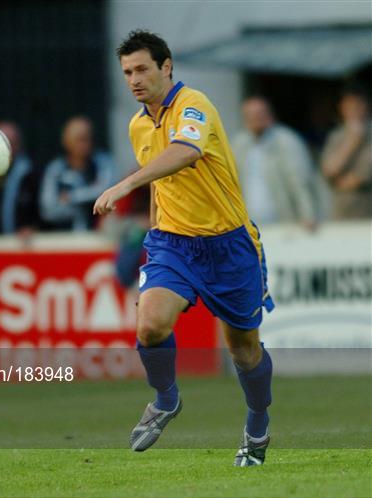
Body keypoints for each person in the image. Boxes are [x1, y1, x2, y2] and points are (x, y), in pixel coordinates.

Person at [93, 30, 275, 466]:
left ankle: (257, 425)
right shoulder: (138, 123)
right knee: (150, 324)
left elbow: (185, 151)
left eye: (141, 69)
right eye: (127, 73)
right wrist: (154, 233)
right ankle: (166, 399)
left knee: (243, 351)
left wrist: (124, 184)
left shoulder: (194, 104)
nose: (134, 79)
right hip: (173, 243)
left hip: (229, 244)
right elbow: (161, 182)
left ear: (166, 65)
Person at [232, 96, 317, 229]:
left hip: (283, 220)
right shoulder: (238, 144)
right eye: (250, 115)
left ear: (270, 115)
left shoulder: (287, 141)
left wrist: (308, 215)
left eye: (260, 113)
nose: (256, 118)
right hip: (247, 222)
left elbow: (300, 181)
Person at [39, 116, 115, 231]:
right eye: (80, 139)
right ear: (66, 141)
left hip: (99, 236)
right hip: (66, 239)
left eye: (88, 138)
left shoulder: (103, 163)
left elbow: (108, 192)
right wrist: (82, 208)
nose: (85, 144)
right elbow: (48, 210)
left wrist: (72, 197)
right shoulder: (56, 169)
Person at [0, 121, 39, 240]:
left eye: (11, 142)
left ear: (18, 145)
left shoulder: (31, 176)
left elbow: (41, 214)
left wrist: (34, 227)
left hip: (20, 247)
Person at [321, 87, 372, 219]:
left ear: (366, 106)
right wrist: (352, 142)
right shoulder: (336, 136)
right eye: (349, 106)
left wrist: (357, 180)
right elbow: (329, 170)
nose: (354, 110)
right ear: (342, 108)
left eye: (358, 105)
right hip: (343, 211)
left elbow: (362, 176)